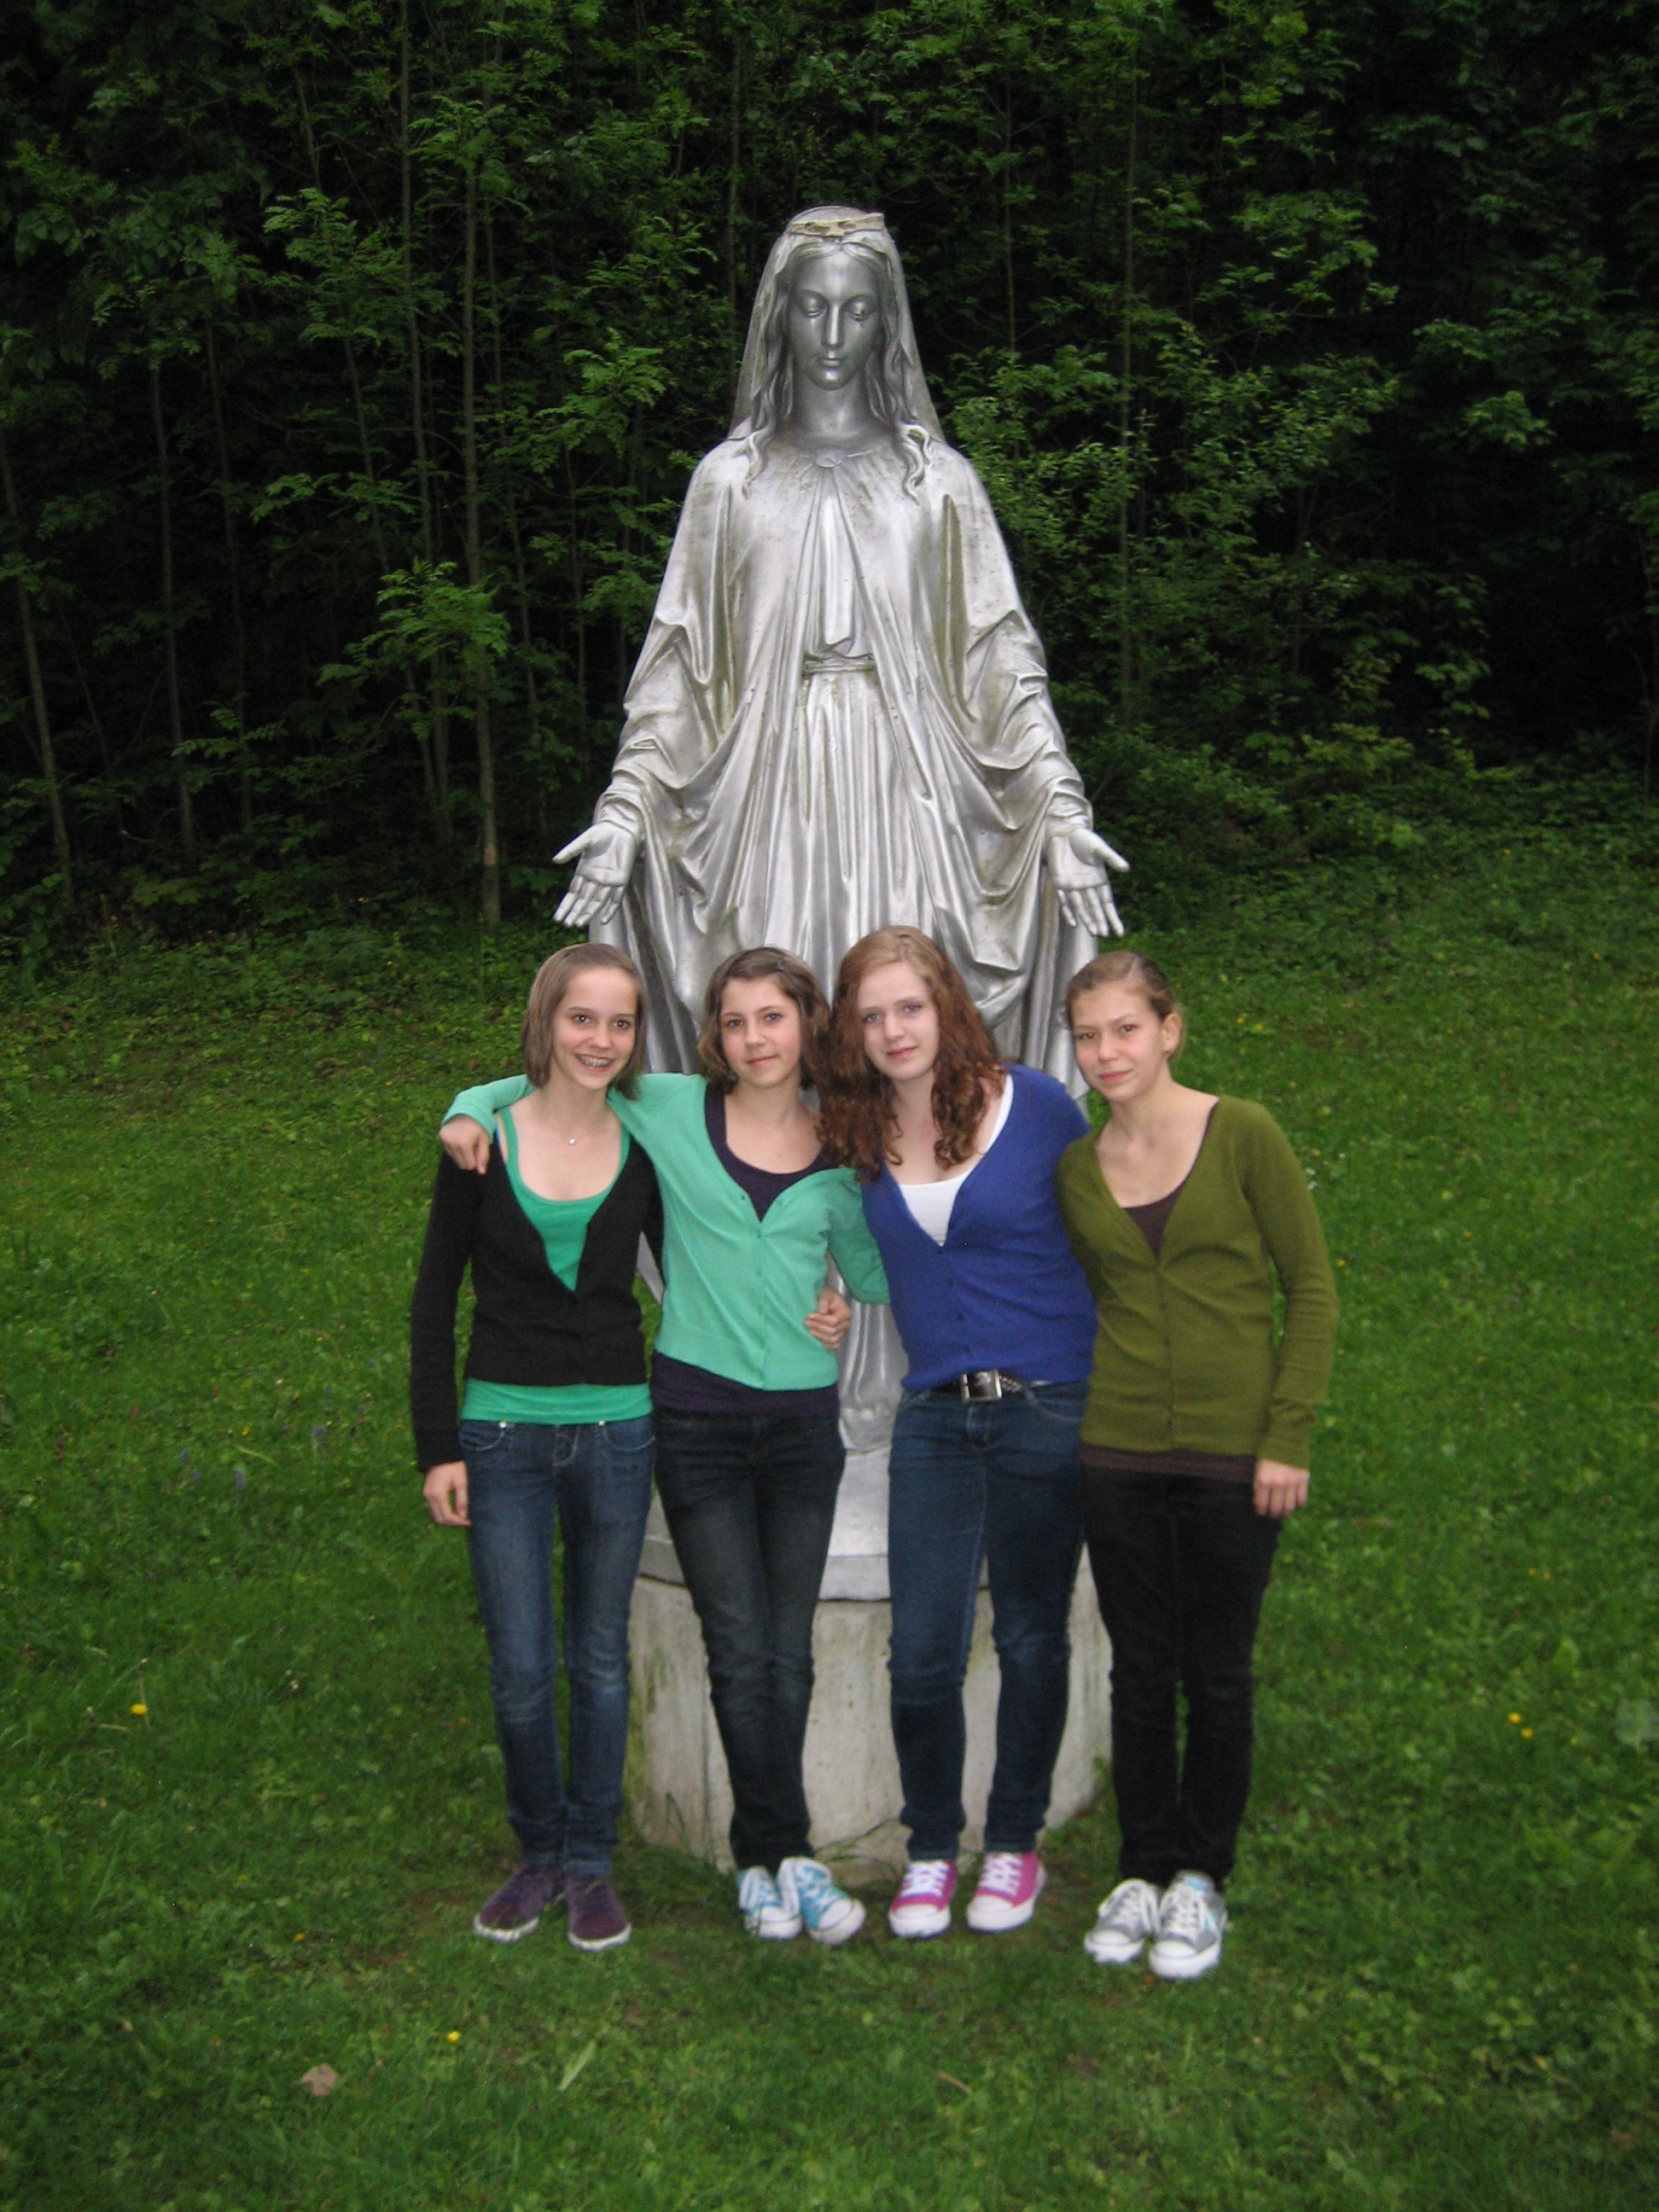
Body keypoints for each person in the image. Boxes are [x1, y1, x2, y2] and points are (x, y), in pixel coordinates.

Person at [548, 202, 1126, 1444]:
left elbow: (1002, 662)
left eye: (857, 309)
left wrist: (1059, 807)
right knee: (783, 1057)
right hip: (764, 802)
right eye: (810, 305)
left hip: (912, 797)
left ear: (887, 324)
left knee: (895, 1049)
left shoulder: (939, 485)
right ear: (776, 317)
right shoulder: (730, 483)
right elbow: (677, 669)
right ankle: (784, 1358)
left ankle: (922, 1358)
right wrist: (627, 810)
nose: (830, 332)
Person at [439, 946, 890, 1947]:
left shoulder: (840, 1144)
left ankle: (775, 1856)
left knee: (787, 1653)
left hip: (803, 1429)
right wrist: (467, 1106)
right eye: (734, 1021)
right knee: (739, 1648)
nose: (754, 1039)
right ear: (713, 1036)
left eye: (773, 1018)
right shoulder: (674, 1110)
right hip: (696, 1422)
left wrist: (839, 1295)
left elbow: (871, 1270)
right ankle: (776, 1857)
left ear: (807, 1027)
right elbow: (553, 1081)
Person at [1056, 950, 1338, 1981]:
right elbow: (1097, 1295)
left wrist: (1286, 1436)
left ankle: (1201, 1877)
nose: (1107, 1052)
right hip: (1118, 1451)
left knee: (1218, 1674)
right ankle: (1142, 1868)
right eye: (1089, 1036)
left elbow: (1312, 1290)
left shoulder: (1243, 1132)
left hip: (1234, 1455)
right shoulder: (1078, 1169)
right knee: (1139, 1670)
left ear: (1170, 1029)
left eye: (1126, 1028)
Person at [816, 926, 1098, 1940]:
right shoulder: (857, 1140)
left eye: (911, 1007)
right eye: (873, 1015)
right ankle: (933, 1848)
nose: (895, 1030)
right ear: (852, 1032)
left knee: (1029, 1635)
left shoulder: (1038, 1107)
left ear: (946, 1007)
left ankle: (1014, 1843)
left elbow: (1107, 1232)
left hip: (1046, 1404)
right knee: (922, 1652)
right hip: (934, 1414)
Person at [410, 943, 661, 1953]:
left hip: (617, 1431)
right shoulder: (479, 1145)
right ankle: (537, 1852)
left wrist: (815, 1294)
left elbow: (709, 1259)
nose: (600, 1040)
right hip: (502, 1435)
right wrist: (439, 1447)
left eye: (620, 1022)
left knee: (598, 1659)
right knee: (520, 1666)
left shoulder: (649, 1140)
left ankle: (591, 1861)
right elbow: (433, 1303)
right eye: (581, 1018)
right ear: (545, 1022)